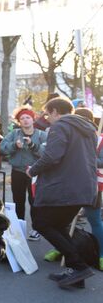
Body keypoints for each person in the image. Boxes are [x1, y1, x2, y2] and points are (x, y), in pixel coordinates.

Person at [27, 97, 97, 288]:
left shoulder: (60, 126)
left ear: (56, 111)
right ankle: (77, 274)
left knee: (41, 223)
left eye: (48, 114)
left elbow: (52, 156)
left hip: (65, 187)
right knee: (59, 226)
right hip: (83, 187)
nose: (47, 118)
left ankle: (79, 266)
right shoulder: (88, 128)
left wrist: (32, 169)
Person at [0, 106, 47, 241]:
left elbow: (46, 153)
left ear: (33, 119)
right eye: (22, 118)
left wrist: (32, 145)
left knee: (35, 202)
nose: (25, 120)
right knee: (18, 201)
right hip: (18, 172)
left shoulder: (42, 134)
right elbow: (3, 148)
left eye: (28, 117)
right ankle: (19, 227)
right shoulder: (14, 134)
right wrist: (15, 145)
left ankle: (36, 229)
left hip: (35, 173)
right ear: (19, 121)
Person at [74, 108, 103, 270]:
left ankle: (101, 254)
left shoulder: (100, 139)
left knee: (94, 220)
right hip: (70, 183)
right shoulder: (71, 136)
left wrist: (88, 157)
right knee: (64, 221)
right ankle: (62, 250)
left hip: (91, 185)